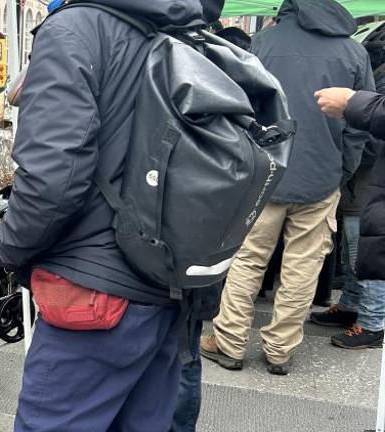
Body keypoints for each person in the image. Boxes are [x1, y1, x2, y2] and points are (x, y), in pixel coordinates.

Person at [0, 1, 225, 431]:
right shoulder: (188, 31)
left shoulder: (75, 29)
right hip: (168, 284)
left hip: (94, 291)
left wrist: (7, 251)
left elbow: (51, 178)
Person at [200, 0, 374, 375]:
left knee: (247, 259)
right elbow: (362, 122)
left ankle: (228, 341)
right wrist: (343, 168)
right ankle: (280, 350)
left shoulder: (264, 42)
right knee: (303, 267)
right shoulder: (354, 52)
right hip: (322, 176)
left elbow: (239, 109)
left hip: (265, 174)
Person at [170, 23, 251, 432]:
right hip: (202, 237)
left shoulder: (152, 49)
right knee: (184, 352)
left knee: (174, 355)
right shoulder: (232, 56)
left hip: (158, 236)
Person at [314, 82, 385, 349]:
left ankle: (371, 324)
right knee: (351, 248)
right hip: (361, 175)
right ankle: (350, 306)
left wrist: (351, 103)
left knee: (367, 251)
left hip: (367, 174)